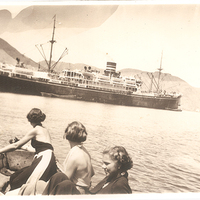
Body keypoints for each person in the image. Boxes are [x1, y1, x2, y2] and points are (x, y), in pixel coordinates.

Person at [0, 108, 57, 195]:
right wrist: (23, 147)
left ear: (30, 119)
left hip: (44, 160)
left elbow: (15, 146)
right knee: (15, 176)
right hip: (48, 158)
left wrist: (0, 150)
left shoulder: (35, 130)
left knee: (20, 181)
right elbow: (38, 149)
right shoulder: (44, 130)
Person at [42, 121, 94, 195]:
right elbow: (91, 173)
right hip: (84, 190)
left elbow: (65, 178)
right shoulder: (84, 151)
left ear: (67, 135)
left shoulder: (74, 155)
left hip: (75, 191)